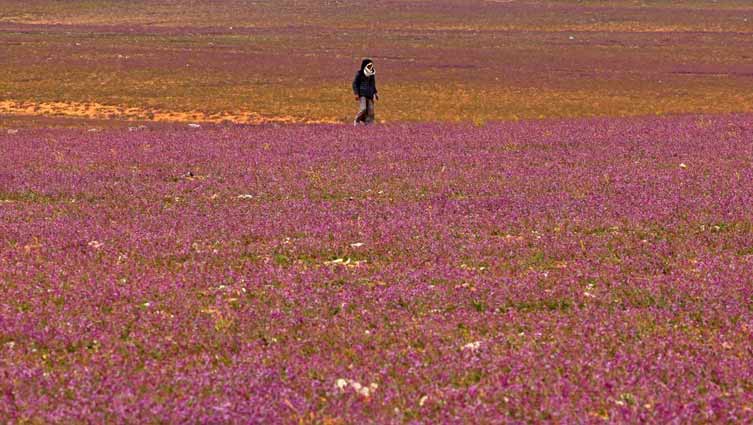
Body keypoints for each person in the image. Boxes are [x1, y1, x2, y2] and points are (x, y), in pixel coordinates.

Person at [352, 59, 378, 125]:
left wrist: (375, 93)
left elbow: (373, 84)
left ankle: (369, 123)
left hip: (370, 94)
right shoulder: (359, 73)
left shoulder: (372, 74)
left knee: (371, 110)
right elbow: (355, 83)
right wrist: (356, 93)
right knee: (363, 108)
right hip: (362, 94)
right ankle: (357, 120)